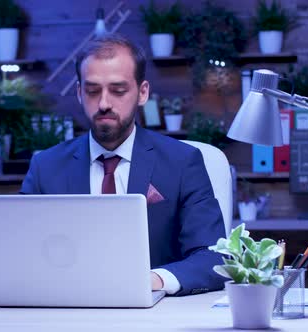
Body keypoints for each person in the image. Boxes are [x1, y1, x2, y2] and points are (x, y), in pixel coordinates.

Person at [21, 33, 225, 296]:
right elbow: (21, 253)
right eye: (93, 91)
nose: (104, 103)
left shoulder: (182, 162)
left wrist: (153, 281)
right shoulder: (45, 167)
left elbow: (214, 256)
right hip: (67, 308)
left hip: (154, 313)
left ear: (142, 93)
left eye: (118, 91)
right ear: (80, 93)